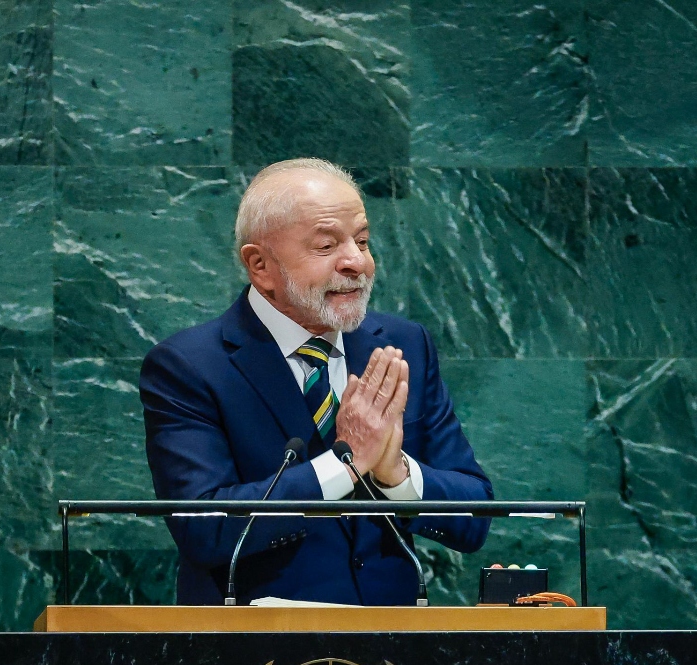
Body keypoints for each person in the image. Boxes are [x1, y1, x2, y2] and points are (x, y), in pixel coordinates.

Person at [139, 158, 492, 605]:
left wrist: (396, 474)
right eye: (327, 246)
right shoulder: (189, 366)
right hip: (257, 640)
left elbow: (475, 517)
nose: (356, 262)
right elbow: (204, 529)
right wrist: (346, 463)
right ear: (260, 265)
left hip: (392, 639)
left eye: (362, 241)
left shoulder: (404, 345)